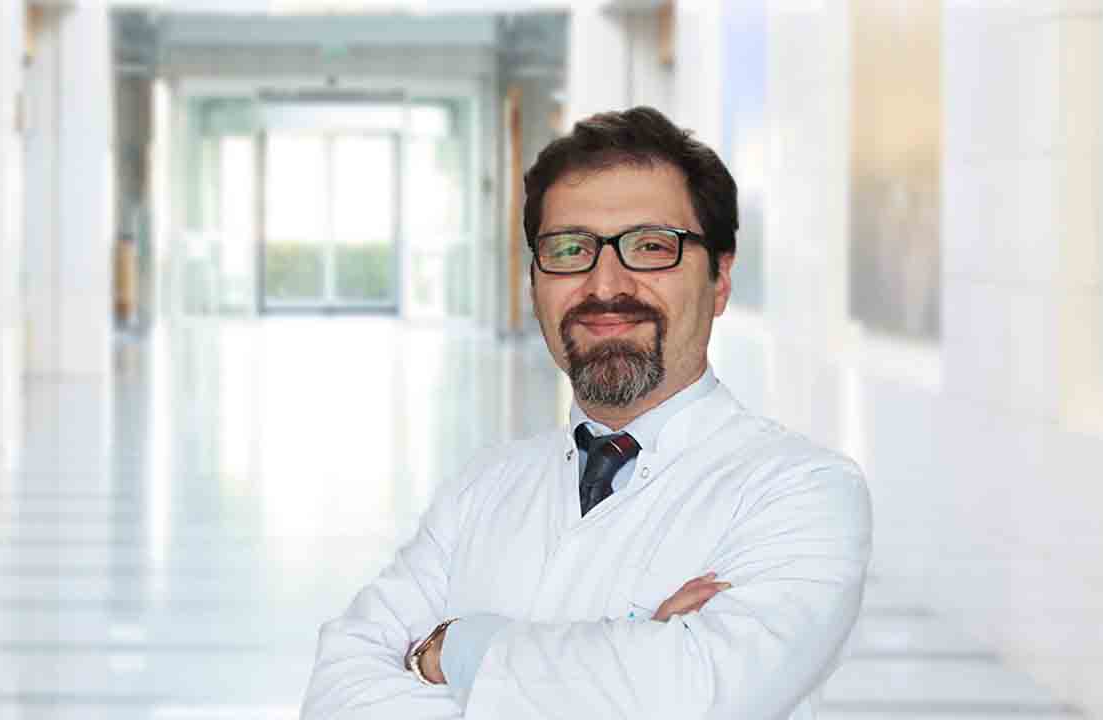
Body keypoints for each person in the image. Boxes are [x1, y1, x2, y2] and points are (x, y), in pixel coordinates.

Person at [302, 106, 872, 720]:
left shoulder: (802, 491)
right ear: (535, 285)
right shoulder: (481, 488)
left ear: (721, 279)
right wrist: (634, 663)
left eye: (651, 247)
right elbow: (338, 694)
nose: (605, 286)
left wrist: (455, 649)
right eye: (570, 249)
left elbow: (698, 694)